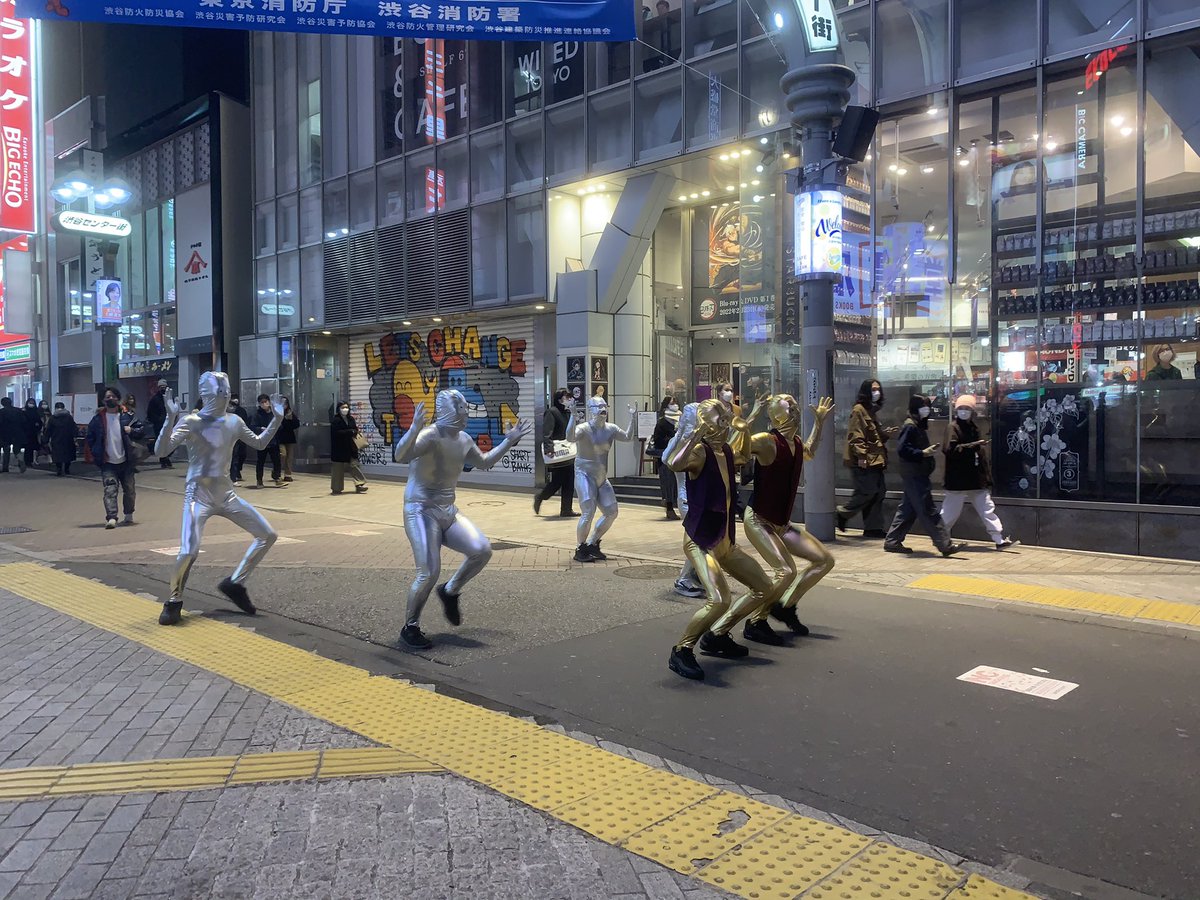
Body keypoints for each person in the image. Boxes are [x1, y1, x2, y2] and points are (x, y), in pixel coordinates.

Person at [392, 390, 532, 649]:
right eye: (460, 407)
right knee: (428, 572)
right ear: (446, 410)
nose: (465, 412)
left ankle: (450, 590)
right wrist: (413, 428)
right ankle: (410, 627)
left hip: (448, 510)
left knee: (481, 550)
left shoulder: (464, 439)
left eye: (465, 407)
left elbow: (485, 462)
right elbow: (401, 455)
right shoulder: (430, 435)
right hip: (420, 509)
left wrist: (508, 441)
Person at [151, 375, 285, 626]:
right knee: (189, 550)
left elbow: (259, 443)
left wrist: (277, 419)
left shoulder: (233, 421)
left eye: (226, 394)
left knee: (267, 534)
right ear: (207, 396)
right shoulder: (191, 422)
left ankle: (235, 583)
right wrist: (170, 418)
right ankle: (173, 600)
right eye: (219, 394)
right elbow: (161, 451)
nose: (224, 398)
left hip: (226, 494)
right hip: (197, 496)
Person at [710, 394, 836, 645]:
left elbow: (809, 452)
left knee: (824, 560)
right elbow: (734, 454)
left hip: (782, 524)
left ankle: (785, 606)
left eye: (797, 407)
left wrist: (819, 422)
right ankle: (756, 620)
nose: (797, 412)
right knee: (786, 571)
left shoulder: (797, 443)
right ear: (779, 414)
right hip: (759, 519)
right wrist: (745, 426)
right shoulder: (766, 441)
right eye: (791, 408)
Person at [664, 398, 775, 681]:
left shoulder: (724, 450)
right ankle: (682, 650)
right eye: (720, 419)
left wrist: (745, 428)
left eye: (726, 418)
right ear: (705, 423)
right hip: (701, 540)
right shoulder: (699, 451)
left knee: (764, 587)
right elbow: (673, 464)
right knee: (719, 600)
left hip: (725, 540)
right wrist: (694, 434)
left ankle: (718, 634)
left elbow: (744, 454)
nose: (725, 423)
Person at [884, 395, 966, 557]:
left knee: (908, 509)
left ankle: (892, 540)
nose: (926, 409)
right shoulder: (910, 426)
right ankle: (944, 544)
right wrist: (923, 453)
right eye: (923, 406)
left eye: (928, 406)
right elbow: (902, 449)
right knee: (928, 509)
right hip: (915, 475)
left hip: (916, 474)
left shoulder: (916, 425)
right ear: (915, 408)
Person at [941, 395, 1016, 550]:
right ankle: (941, 540)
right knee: (949, 513)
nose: (964, 411)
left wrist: (986, 477)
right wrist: (972, 446)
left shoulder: (974, 428)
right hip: (958, 479)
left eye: (967, 408)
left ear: (973, 411)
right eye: (961, 408)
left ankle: (999, 539)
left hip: (975, 478)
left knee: (987, 508)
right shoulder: (952, 428)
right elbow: (950, 450)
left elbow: (979, 456)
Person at [572, 395, 637, 562]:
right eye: (597, 406)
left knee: (612, 512)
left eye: (604, 406)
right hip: (584, 474)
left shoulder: (611, 428)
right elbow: (570, 437)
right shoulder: (583, 428)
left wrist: (633, 417)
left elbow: (628, 437)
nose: (602, 409)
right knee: (588, 511)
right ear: (590, 410)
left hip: (601, 476)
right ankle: (581, 548)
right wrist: (572, 416)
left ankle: (592, 543)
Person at [837, 379, 896, 538]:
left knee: (878, 493)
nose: (877, 392)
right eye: (873, 389)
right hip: (864, 460)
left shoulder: (870, 411)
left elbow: (873, 437)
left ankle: (873, 528)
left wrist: (885, 434)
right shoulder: (859, 410)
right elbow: (856, 436)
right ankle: (843, 513)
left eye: (878, 389)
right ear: (866, 391)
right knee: (867, 492)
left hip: (875, 459)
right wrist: (861, 456)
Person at [86, 387, 146, 529]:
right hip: (107, 462)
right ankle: (112, 517)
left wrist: (131, 430)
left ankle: (129, 514)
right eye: (107, 397)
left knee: (129, 490)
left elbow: (142, 430)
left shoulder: (127, 416)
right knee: (110, 490)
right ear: (103, 400)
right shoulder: (97, 419)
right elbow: (90, 438)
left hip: (126, 461)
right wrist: (96, 453)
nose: (110, 399)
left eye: (112, 396)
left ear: (118, 398)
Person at [664, 403, 705, 598]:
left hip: (702, 497)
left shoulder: (704, 438)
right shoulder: (681, 439)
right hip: (687, 497)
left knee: (703, 540)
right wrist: (680, 435)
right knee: (696, 540)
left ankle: (696, 575)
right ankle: (684, 579)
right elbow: (666, 459)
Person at [534, 388, 576, 518]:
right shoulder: (552, 412)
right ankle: (540, 497)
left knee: (569, 480)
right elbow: (547, 432)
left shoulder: (568, 413)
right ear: (559, 399)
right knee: (558, 481)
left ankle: (566, 509)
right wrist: (549, 449)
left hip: (568, 451)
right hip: (557, 452)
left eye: (569, 396)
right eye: (566, 397)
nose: (569, 399)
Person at [330, 401, 368, 495]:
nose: (345, 409)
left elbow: (355, 429)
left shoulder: (351, 419)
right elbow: (336, 433)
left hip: (351, 447)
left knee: (354, 465)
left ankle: (359, 484)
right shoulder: (336, 420)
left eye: (346, 407)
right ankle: (336, 488)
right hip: (339, 448)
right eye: (343, 407)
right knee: (337, 469)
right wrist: (349, 431)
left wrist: (353, 431)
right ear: (339, 409)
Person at [651, 396, 679, 520]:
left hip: (679, 455)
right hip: (665, 457)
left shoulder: (681, 419)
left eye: (676, 402)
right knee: (668, 482)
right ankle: (669, 507)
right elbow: (658, 440)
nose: (675, 405)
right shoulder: (662, 422)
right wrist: (671, 440)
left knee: (677, 483)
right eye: (672, 403)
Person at [251, 393, 286, 488]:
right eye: (261, 402)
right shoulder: (257, 415)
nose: (264, 404)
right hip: (262, 441)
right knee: (260, 462)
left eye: (265, 402)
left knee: (276, 460)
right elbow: (253, 427)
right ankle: (259, 480)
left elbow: (280, 425)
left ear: (269, 402)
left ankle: (277, 478)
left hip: (273, 441)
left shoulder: (274, 413)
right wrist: (260, 429)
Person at [147, 379, 173, 468]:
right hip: (159, 424)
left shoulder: (169, 398)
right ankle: (164, 459)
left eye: (164, 387)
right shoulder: (155, 399)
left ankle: (166, 457)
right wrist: (157, 420)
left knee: (169, 440)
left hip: (169, 423)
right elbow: (150, 413)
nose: (163, 388)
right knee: (161, 441)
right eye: (161, 387)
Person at [46, 402, 77, 476]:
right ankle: (67, 469)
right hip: (68, 439)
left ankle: (59, 469)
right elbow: (73, 427)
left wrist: (45, 439)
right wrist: (75, 436)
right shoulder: (69, 417)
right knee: (68, 455)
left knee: (57, 455)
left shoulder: (52, 418)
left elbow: (49, 429)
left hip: (56, 439)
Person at [228, 393, 251, 484]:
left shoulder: (241, 411)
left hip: (239, 437)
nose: (233, 407)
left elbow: (245, 424)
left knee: (241, 455)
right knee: (233, 458)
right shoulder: (222, 413)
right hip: (227, 439)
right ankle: (232, 477)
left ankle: (237, 471)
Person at [0, 396, 26, 473]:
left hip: (5, 433)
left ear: (2, 404)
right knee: (17, 450)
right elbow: (24, 421)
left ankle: (5, 467)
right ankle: (21, 460)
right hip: (18, 433)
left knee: (6, 450)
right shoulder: (18, 410)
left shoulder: (1, 412)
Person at [277, 398, 299, 481]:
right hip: (280, 438)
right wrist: (285, 419)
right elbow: (278, 425)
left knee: (289, 457)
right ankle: (277, 471)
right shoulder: (277, 412)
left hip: (290, 438)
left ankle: (288, 475)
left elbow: (296, 425)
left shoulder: (290, 412)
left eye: (285, 403)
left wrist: (291, 419)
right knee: (283, 454)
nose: (284, 405)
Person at [21, 399, 40, 469]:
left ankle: (30, 461)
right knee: (27, 448)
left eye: (32, 403)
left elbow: (39, 421)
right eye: (30, 403)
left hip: (33, 432)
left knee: (31, 448)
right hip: (26, 432)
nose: (31, 404)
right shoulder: (23, 411)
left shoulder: (36, 411)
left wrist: (37, 426)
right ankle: (26, 461)